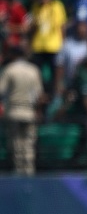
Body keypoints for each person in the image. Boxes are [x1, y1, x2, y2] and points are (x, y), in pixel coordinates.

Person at [0, 45, 44, 175]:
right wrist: (38, 111)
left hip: (14, 111)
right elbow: (39, 95)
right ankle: (29, 175)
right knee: (29, 148)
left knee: (17, 147)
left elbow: (1, 91)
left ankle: (19, 176)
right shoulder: (33, 70)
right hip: (29, 112)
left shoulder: (9, 69)